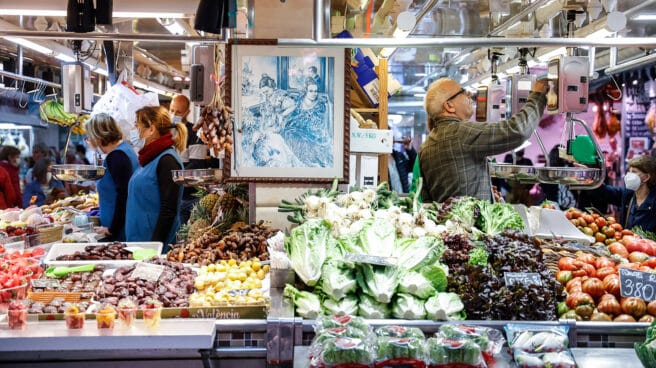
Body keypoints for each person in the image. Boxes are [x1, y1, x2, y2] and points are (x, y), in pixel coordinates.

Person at [419, 77, 549, 203]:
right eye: (463, 92)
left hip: (448, 223)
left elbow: (428, 200)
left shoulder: (426, 146)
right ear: (449, 106)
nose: (470, 94)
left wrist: (487, 194)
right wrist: (537, 96)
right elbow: (517, 130)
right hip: (471, 224)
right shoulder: (461, 132)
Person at [125, 106, 187, 250]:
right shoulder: (147, 158)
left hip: (154, 245)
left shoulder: (167, 161)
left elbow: (169, 209)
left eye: (137, 125)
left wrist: (154, 246)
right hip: (139, 241)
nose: (134, 130)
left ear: (151, 129)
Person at [85, 113, 139, 241]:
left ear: (98, 136)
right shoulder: (126, 149)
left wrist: (112, 228)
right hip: (122, 225)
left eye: (89, 136)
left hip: (119, 230)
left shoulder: (117, 156)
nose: (89, 140)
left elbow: (123, 195)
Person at [586, 155, 656, 233]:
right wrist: (588, 176)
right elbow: (604, 191)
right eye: (629, 171)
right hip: (627, 242)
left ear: (646, 177)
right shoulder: (628, 195)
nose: (629, 175)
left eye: (634, 172)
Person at [282, 79, 332, 167]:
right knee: (287, 132)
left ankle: (306, 160)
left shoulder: (320, 105)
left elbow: (318, 122)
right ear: (306, 91)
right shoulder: (300, 100)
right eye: (311, 91)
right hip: (297, 125)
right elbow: (292, 110)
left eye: (316, 91)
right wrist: (282, 115)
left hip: (312, 130)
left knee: (304, 141)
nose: (314, 93)